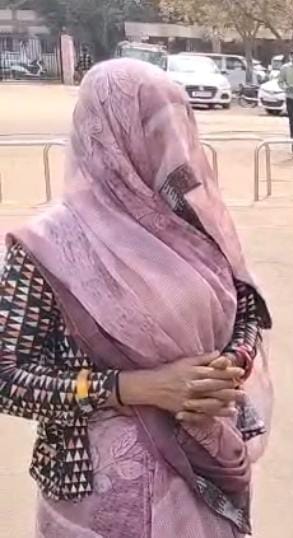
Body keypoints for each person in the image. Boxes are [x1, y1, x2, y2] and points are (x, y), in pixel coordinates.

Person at [0, 59, 272, 536]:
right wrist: (132, 387)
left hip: (204, 471)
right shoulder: (49, 245)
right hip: (96, 495)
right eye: (156, 130)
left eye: (180, 127)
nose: (177, 148)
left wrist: (230, 365)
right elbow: (8, 380)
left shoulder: (195, 226)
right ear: (111, 139)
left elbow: (246, 313)